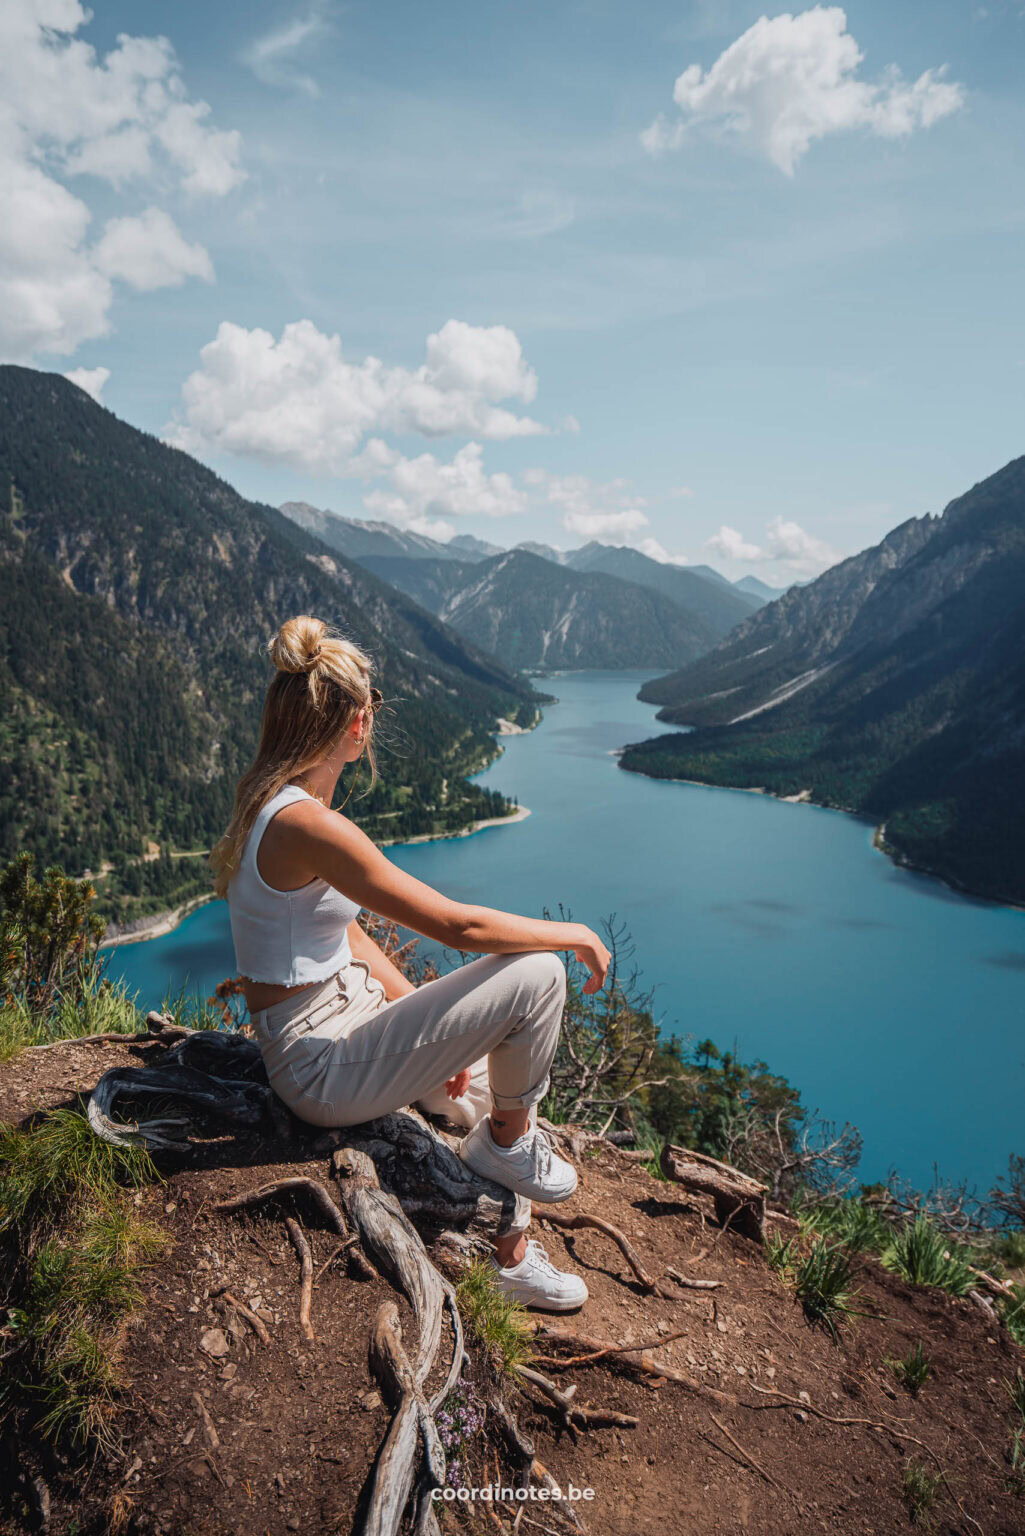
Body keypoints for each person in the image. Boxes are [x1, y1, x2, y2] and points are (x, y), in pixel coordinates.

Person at [210, 616, 611, 1312]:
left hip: (348, 1021)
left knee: (489, 1085)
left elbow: (352, 937)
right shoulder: (307, 823)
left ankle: (506, 1218)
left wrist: (428, 1035)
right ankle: (506, 1226)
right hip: (318, 1066)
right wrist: (572, 932)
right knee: (539, 974)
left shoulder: (280, 806)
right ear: (357, 723)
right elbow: (457, 925)